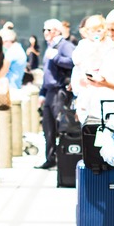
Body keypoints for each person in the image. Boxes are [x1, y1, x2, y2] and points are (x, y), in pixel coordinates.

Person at [76, 8, 114, 109]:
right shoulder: (110, 47)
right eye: (108, 29)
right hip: (102, 108)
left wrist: (106, 84)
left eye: (113, 29)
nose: (110, 33)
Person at [38, 19, 74, 169]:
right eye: (44, 30)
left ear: (57, 31)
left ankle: (64, 159)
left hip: (60, 91)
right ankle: (50, 157)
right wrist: (42, 92)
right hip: (50, 91)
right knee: (48, 127)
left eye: (49, 30)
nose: (46, 33)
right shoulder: (50, 47)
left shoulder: (65, 45)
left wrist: (57, 57)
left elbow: (73, 61)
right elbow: (47, 72)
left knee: (61, 126)